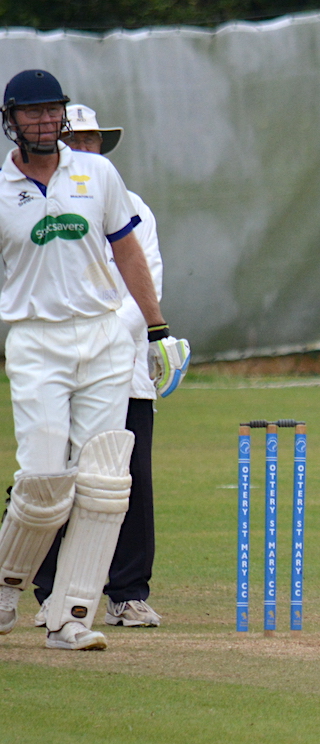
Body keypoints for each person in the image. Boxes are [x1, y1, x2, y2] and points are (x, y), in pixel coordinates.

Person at [0, 70, 188, 650]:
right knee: (43, 480)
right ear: (10, 120)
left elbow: (128, 251)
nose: (41, 121)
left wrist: (156, 329)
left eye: (50, 110)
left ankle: (71, 616)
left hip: (104, 336)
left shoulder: (97, 173)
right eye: (29, 112)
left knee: (105, 481)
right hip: (36, 340)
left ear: (62, 116)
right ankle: (8, 587)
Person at [32, 104, 164, 629]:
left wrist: (104, 342)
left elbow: (143, 281)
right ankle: (47, 591)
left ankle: (127, 593)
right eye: (76, 140)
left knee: (127, 482)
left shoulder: (135, 207)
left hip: (123, 367)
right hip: (59, 367)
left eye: (93, 142)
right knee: (53, 476)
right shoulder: (39, 204)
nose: (86, 149)